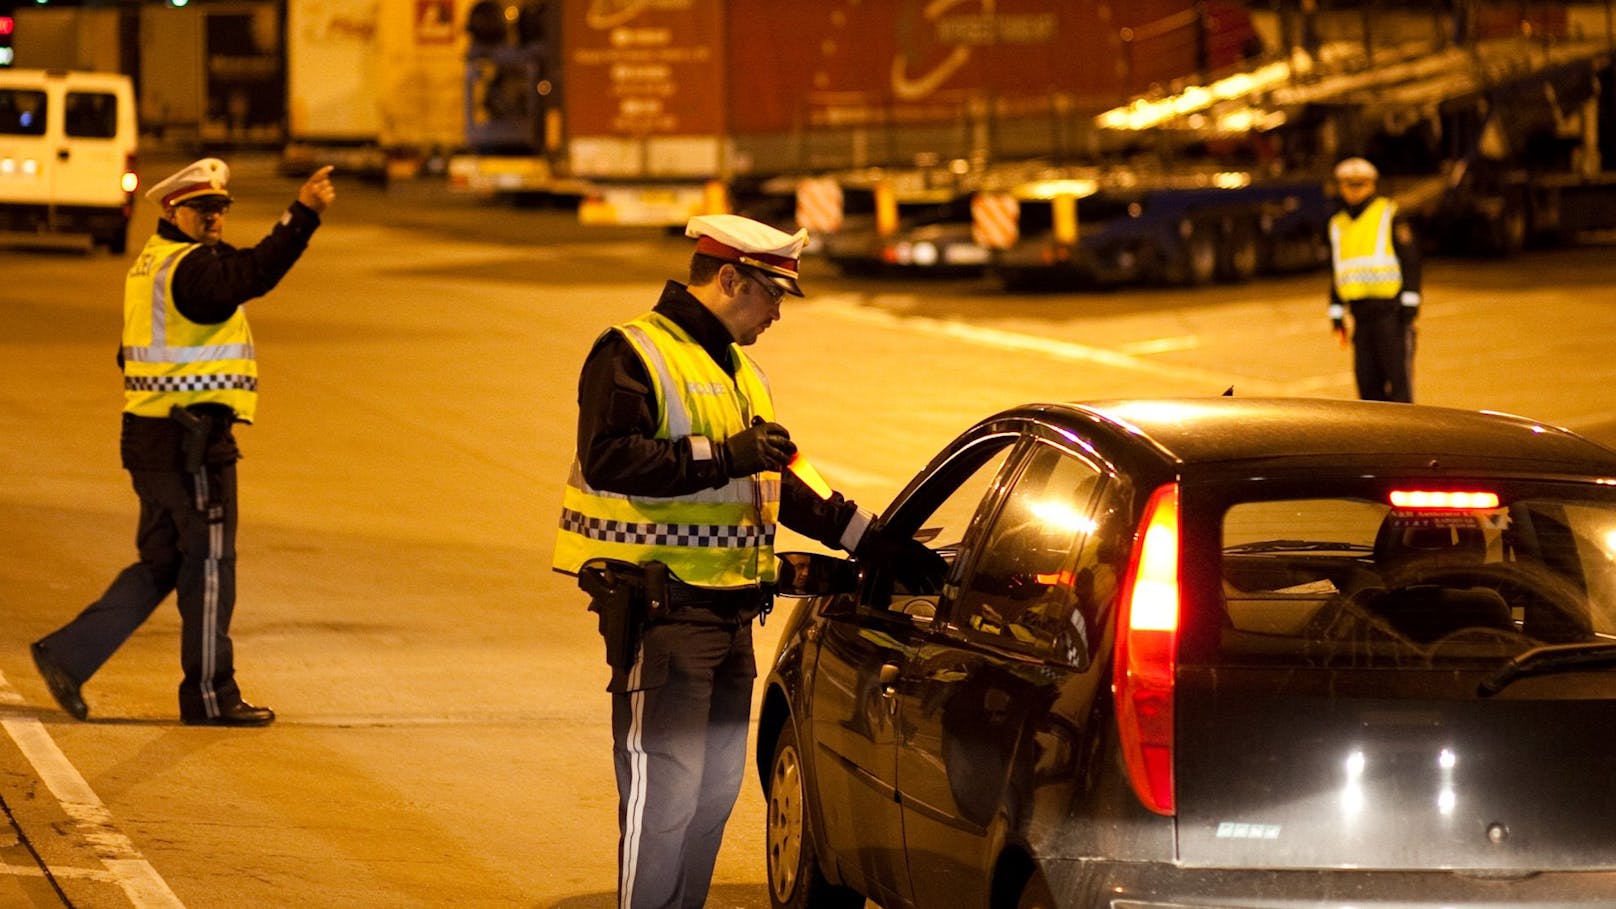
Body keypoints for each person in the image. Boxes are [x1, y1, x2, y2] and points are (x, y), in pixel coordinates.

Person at [552, 213, 941, 909]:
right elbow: (610, 455)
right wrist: (719, 456)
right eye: (773, 295)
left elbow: (790, 483)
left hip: (732, 619)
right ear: (729, 277)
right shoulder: (632, 352)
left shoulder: (742, 374)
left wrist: (873, 541)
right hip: (665, 614)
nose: (777, 314)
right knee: (662, 792)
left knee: (712, 795)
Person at [31, 157, 336, 726]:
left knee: (163, 561)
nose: (215, 218)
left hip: (148, 439)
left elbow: (130, 352)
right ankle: (210, 694)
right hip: (190, 444)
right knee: (211, 565)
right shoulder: (193, 272)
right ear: (174, 210)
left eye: (221, 209)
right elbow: (253, 275)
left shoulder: (152, 265)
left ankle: (68, 655)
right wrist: (303, 216)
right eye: (204, 209)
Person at [1327, 156, 1423, 402]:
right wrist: (1336, 312)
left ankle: (1404, 438)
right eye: (1349, 185)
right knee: (1368, 387)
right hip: (1360, 317)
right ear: (1341, 187)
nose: (1355, 190)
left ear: (1372, 185)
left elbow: (1410, 261)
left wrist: (1410, 302)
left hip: (1390, 315)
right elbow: (1339, 269)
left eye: (1361, 184)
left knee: (1399, 386)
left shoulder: (1388, 214)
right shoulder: (1338, 223)